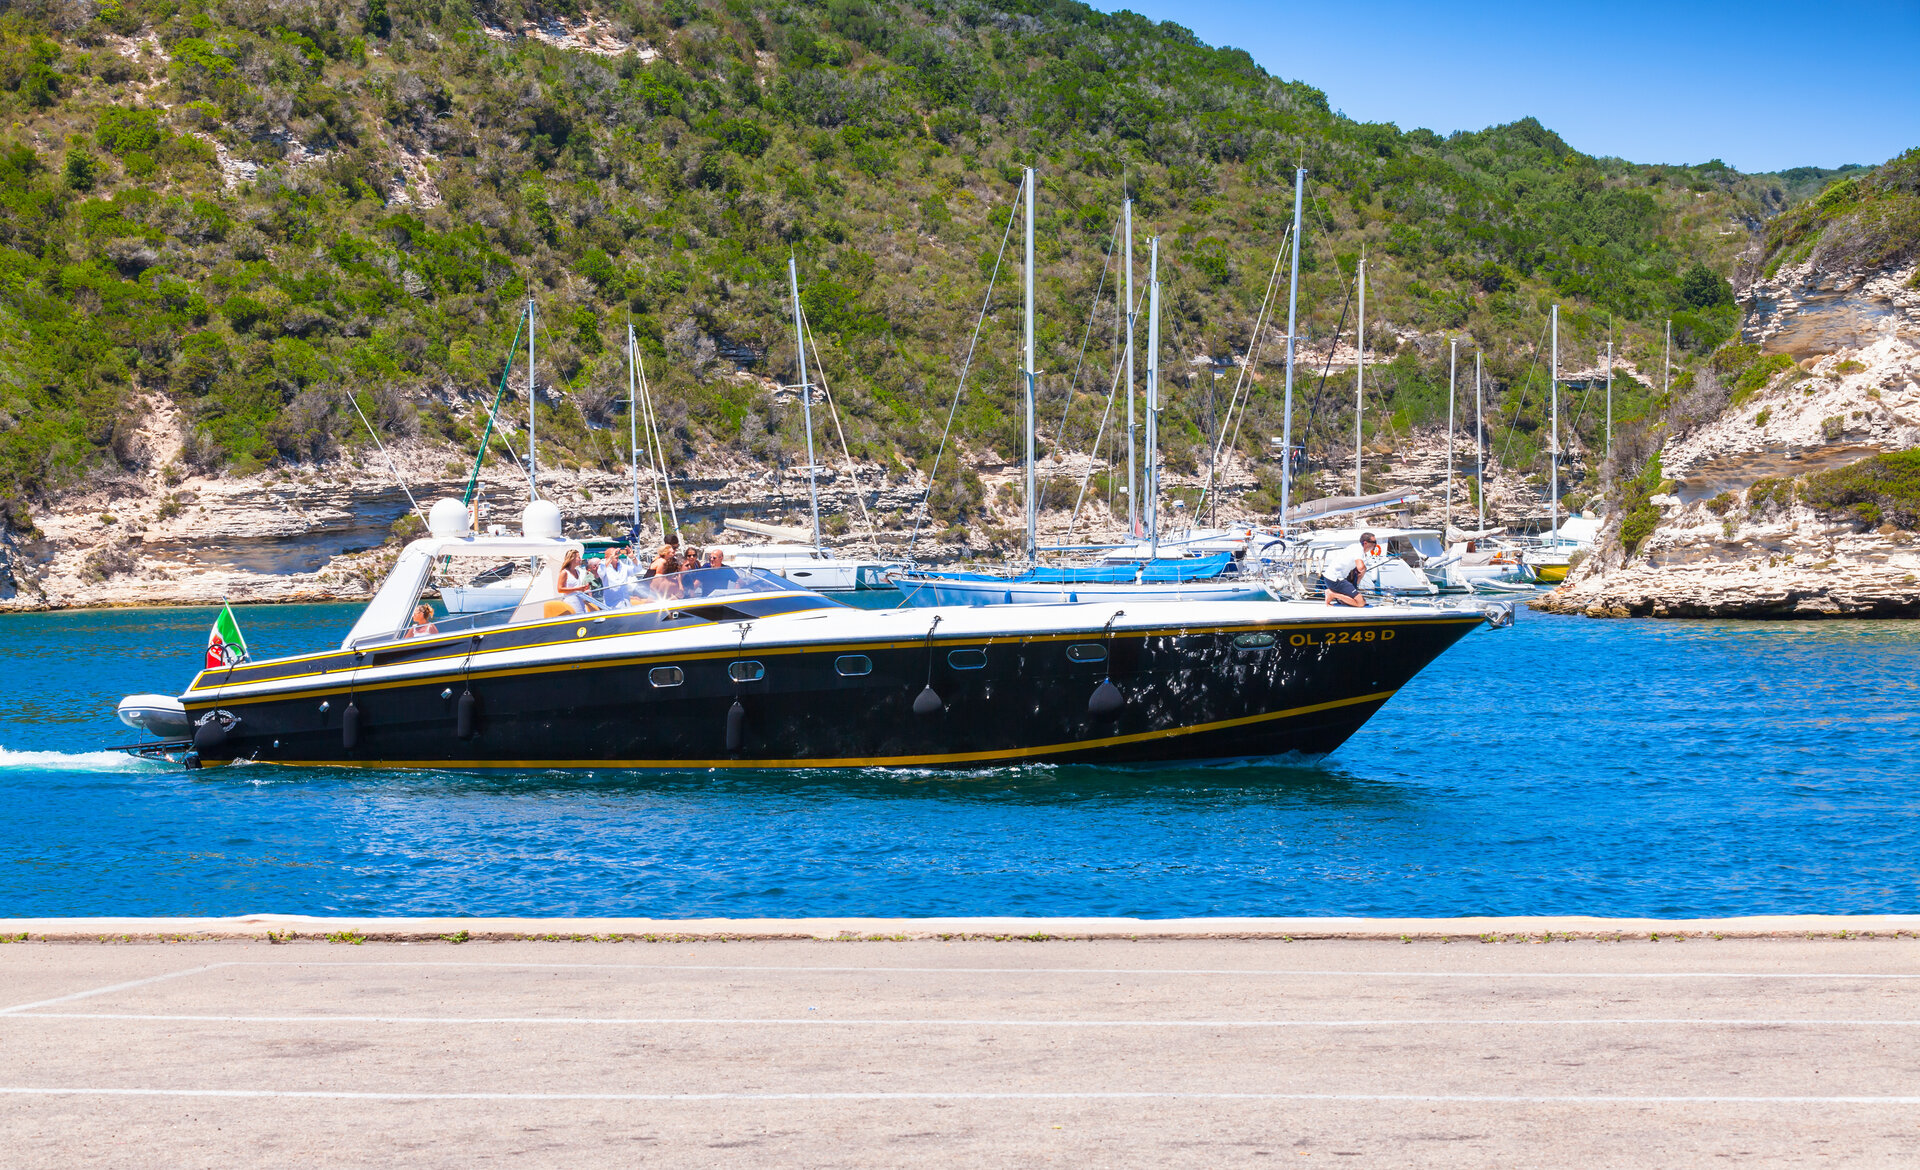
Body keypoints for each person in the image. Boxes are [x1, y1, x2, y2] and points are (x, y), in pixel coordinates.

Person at [1325, 531, 1383, 608]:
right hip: (1336, 579)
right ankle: (1332, 594)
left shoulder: (1355, 547)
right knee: (1361, 603)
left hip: (1330, 578)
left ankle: (1336, 595)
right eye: (1374, 542)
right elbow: (1360, 567)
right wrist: (1364, 570)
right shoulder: (1359, 550)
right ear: (1365, 543)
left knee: (1350, 601)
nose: (1375, 545)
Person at [557, 548, 594, 614]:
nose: (580, 559)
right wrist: (577, 589)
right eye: (578, 557)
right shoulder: (564, 572)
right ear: (572, 559)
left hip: (580, 603)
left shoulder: (578, 572)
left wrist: (583, 588)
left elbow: (577, 587)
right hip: (570, 603)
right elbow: (560, 589)